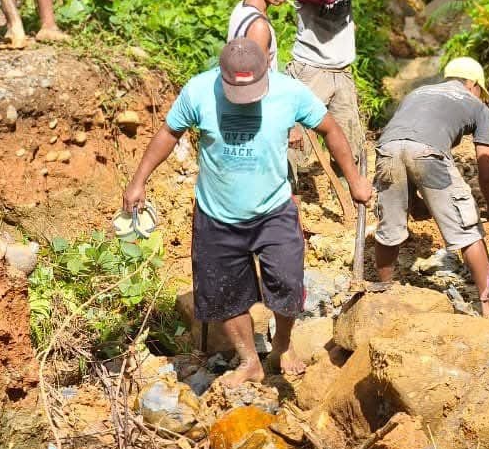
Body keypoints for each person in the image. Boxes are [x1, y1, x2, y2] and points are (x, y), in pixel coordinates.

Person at [122, 37, 372, 386]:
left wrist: (355, 180)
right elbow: (168, 133)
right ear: (220, 75)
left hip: (274, 210)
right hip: (217, 214)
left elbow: (329, 128)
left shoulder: (290, 92)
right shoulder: (198, 92)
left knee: (287, 283)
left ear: (267, 70)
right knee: (225, 294)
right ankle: (249, 361)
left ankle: (282, 346)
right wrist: (138, 180)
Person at [373, 58, 489, 316]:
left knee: (389, 228)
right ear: (473, 84)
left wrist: (415, 202)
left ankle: (382, 294)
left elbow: (404, 145)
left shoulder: (417, 93)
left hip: (387, 149)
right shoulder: (477, 105)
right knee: (467, 229)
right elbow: (486, 169)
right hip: (428, 153)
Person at [287, 0, 392, 165]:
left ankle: (351, 194)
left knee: (350, 145)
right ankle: (289, 200)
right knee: (295, 147)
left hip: (341, 72)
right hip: (310, 72)